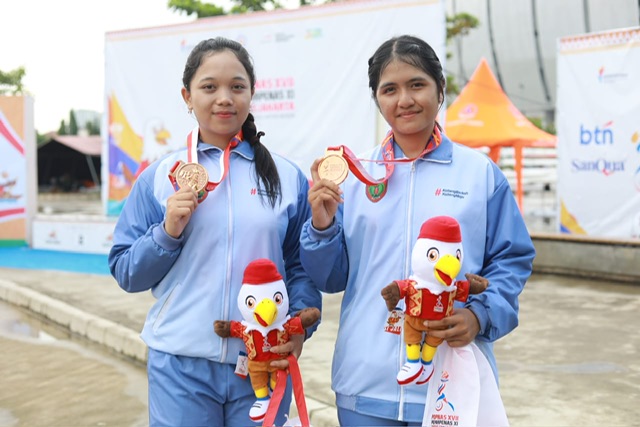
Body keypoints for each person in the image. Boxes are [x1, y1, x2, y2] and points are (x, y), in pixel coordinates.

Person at [300, 34, 536, 426]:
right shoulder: (356, 175)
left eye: (417, 84)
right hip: (365, 383)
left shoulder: (479, 174)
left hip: (451, 380)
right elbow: (331, 278)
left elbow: (511, 259)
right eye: (389, 89)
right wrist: (321, 225)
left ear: (440, 90)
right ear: (377, 98)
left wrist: (480, 314)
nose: (404, 100)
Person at [108, 37, 322, 427]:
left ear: (251, 94)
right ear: (187, 96)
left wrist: (300, 330)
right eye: (209, 87)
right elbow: (126, 270)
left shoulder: (287, 177)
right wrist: (166, 233)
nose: (224, 98)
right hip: (180, 364)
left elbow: (301, 267)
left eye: (237, 87)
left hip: (264, 360)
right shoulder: (160, 178)